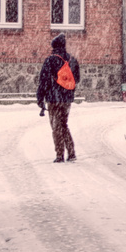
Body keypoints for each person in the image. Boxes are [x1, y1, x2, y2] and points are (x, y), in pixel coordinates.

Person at [36, 34, 82, 162]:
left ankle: (59, 155)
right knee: (64, 124)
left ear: (53, 46)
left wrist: (40, 97)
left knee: (56, 126)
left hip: (53, 98)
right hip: (67, 98)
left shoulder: (50, 60)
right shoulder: (72, 59)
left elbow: (44, 81)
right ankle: (71, 153)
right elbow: (76, 79)